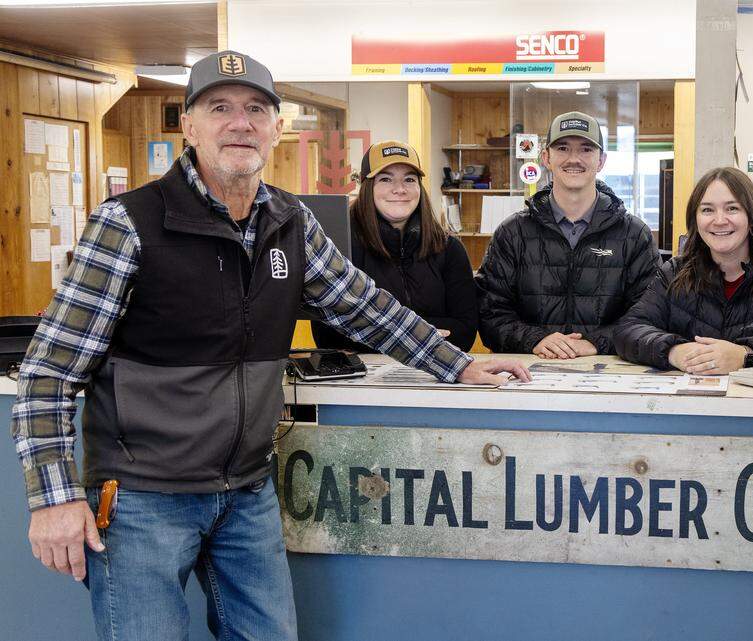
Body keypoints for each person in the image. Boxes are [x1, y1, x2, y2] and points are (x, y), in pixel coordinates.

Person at [10, 50, 527, 641]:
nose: (241, 122)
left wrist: (457, 366)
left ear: (277, 127)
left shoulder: (292, 221)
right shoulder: (127, 225)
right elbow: (48, 372)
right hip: (144, 498)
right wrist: (51, 498)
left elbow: (366, 307)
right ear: (189, 124)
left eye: (257, 109)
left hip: (247, 491)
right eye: (220, 107)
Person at [475, 111, 660, 359]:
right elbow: (490, 314)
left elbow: (650, 315)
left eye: (586, 149)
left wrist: (596, 343)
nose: (574, 159)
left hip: (608, 378)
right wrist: (535, 340)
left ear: (601, 161)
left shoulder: (635, 235)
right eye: (562, 148)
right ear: (546, 158)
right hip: (527, 378)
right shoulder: (512, 233)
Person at [614, 167, 753, 374]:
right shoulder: (675, 272)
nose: (719, 220)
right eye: (707, 210)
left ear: (752, 215)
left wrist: (746, 354)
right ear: (695, 219)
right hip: (691, 404)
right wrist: (674, 350)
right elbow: (628, 330)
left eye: (732, 208)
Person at [313, 140, 478, 351]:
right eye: (386, 179)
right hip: (363, 378)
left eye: (409, 179)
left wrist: (375, 330)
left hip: (435, 377)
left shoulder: (449, 249)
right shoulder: (340, 249)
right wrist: (422, 332)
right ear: (367, 187)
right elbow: (328, 334)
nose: (399, 189)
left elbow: (464, 332)